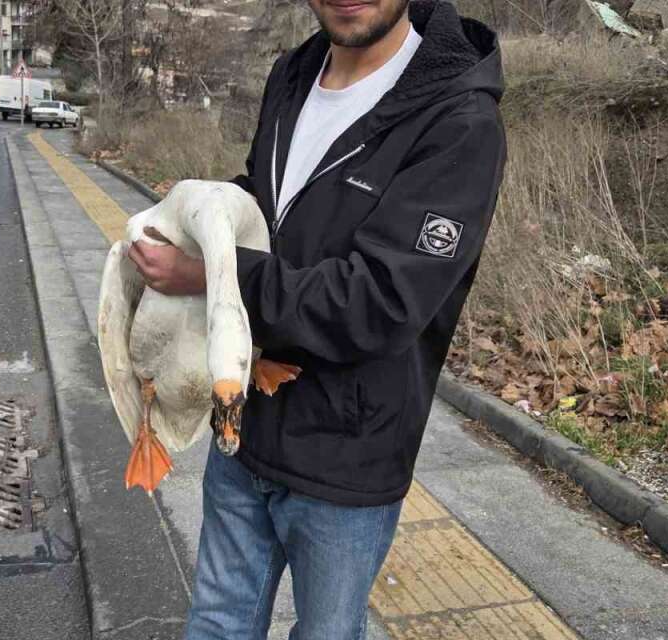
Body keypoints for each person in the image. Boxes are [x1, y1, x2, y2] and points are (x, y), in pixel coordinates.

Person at [128, 0, 506, 637]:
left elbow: (381, 301)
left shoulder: (458, 119)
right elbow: (271, 206)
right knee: (217, 622)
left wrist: (216, 276)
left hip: (346, 454)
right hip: (243, 421)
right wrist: (197, 223)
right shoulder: (296, 72)